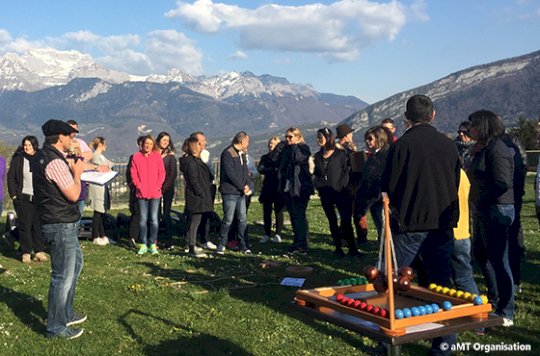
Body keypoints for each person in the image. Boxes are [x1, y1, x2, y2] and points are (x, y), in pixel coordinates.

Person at [381, 95, 460, 354]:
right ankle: (444, 345)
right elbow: (456, 182)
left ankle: (394, 342)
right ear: (433, 115)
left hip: (410, 224)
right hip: (441, 223)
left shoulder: (402, 146)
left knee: (399, 285)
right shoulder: (449, 145)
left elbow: (389, 186)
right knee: (441, 286)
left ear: (407, 119)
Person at [32, 119, 86, 339]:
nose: (72, 139)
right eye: (70, 136)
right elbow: (73, 194)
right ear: (61, 137)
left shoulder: (44, 156)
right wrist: (78, 173)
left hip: (58, 221)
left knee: (75, 266)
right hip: (60, 223)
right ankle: (56, 327)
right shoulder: (54, 163)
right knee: (62, 275)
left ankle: (66, 312)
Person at [467, 110, 515, 326]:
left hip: (497, 209)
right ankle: (495, 298)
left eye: (473, 125)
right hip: (484, 208)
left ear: (484, 126)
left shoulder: (498, 149)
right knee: (480, 253)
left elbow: (502, 182)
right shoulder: (482, 149)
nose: (469, 129)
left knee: (498, 259)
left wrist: (483, 199)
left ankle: (507, 310)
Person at [313, 127, 358, 257]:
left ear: (327, 138)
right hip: (325, 193)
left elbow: (347, 171)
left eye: (320, 137)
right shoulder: (318, 156)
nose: (318, 140)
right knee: (332, 221)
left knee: (346, 221)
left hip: (340, 192)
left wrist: (341, 185)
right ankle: (338, 248)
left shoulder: (340, 154)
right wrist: (318, 184)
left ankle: (352, 248)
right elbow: (317, 173)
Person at [7, 136, 47, 263]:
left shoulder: (41, 158)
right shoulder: (18, 159)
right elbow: (11, 178)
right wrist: (14, 195)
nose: (27, 147)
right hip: (23, 197)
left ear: (34, 145)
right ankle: (25, 252)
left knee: (37, 225)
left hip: (38, 198)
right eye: (25, 145)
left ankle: (39, 251)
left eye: (29, 145)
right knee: (25, 225)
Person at [279, 127, 313, 254]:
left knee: (299, 215)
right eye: (286, 137)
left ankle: (302, 243)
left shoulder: (304, 148)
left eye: (290, 137)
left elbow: (298, 159)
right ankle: (297, 240)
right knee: (293, 215)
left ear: (298, 137)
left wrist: (294, 146)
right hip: (290, 186)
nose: (288, 140)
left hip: (300, 188)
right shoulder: (287, 149)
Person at [216, 131, 251, 255]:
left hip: (241, 193)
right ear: (242, 141)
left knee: (242, 219)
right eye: (247, 141)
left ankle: (243, 244)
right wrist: (242, 186)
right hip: (230, 192)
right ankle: (221, 243)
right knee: (228, 219)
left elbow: (245, 171)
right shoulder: (228, 153)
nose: (248, 144)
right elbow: (230, 173)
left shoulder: (242, 154)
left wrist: (247, 185)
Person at [130, 135, 166, 255]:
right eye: (146, 143)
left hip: (155, 193)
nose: (148, 146)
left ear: (153, 145)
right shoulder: (136, 157)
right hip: (141, 193)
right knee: (143, 219)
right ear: (142, 144)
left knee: (154, 219)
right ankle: (143, 243)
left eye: (150, 144)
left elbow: (162, 172)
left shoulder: (157, 156)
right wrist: (138, 185)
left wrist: (158, 185)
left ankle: (152, 243)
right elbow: (133, 173)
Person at [179, 137, 214, 258]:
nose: (201, 146)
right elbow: (194, 180)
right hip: (197, 196)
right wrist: (201, 192)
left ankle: (191, 244)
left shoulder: (195, 160)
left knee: (195, 221)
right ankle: (191, 246)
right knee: (194, 221)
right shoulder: (191, 162)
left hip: (200, 194)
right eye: (199, 144)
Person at [355, 126, 390, 242]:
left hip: (380, 197)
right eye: (366, 139)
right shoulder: (374, 156)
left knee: (384, 228)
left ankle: (386, 254)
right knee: (380, 227)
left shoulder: (384, 156)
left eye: (370, 138)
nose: (367, 141)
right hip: (373, 198)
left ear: (379, 139)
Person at [335, 123, 368, 244]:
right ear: (347, 135)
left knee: (347, 212)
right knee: (354, 211)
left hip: (346, 184)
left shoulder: (339, 149)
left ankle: (344, 235)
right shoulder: (344, 150)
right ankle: (357, 236)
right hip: (350, 184)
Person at [190, 131, 217, 250]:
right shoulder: (191, 159)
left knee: (207, 213)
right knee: (195, 217)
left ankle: (205, 239)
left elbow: (211, 171)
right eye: (201, 141)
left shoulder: (206, 155)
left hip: (208, 187)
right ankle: (191, 241)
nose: (204, 143)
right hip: (198, 190)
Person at [258, 136, 285, 244]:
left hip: (278, 187)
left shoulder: (281, 158)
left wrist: (269, 169)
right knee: (266, 211)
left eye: (273, 143)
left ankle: (278, 233)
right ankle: (267, 233)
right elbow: (261, 169)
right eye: (270, 143)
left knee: (279, 211)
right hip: (267, 187)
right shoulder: (265, 157)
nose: (271, 145)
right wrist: (272, 169)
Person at [87, 137, 114, 246]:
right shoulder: (96, 157)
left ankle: (102, 235)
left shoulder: (100, 156)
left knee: (101, 212)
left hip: (102, 187)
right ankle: (95, 235)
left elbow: (109, 165)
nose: (106, 146)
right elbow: (106, 167)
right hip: (97, 187)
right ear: (100, 145)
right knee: (97, 213)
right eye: (104, 144)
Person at [156, 132, 177, 242]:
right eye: (163, 140)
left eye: (167, 141)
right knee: (156, 213)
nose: (165, 142)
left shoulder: (171, 156)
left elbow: (173, 174)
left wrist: (163, 188)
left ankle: (168, 239)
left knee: (166, 213)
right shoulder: (154, 154)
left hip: (167, 188)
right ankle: (157, 237)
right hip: (155, 187)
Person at [126, 136, 145, 246]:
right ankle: (133, 236)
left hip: (148, 190)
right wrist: (133, 186)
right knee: (137, 214)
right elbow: (129, 174)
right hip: (137, 190)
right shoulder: (134, 157)